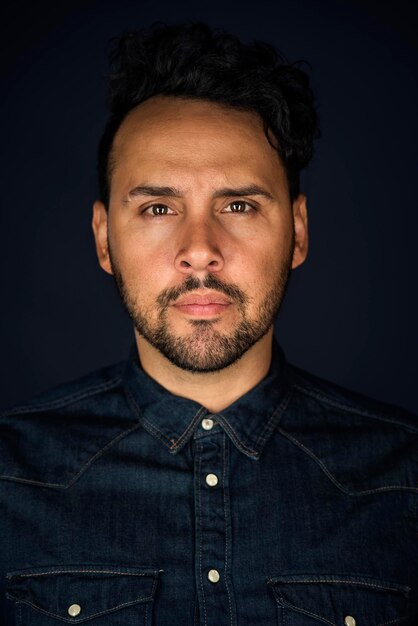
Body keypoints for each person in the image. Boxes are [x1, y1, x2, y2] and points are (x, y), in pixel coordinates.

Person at [0, 21, 416, 626]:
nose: (200, 250)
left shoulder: (404, 479)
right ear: (103, 238)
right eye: (159, 208)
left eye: (239, 205)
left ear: (297, 232)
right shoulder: (9, 476)